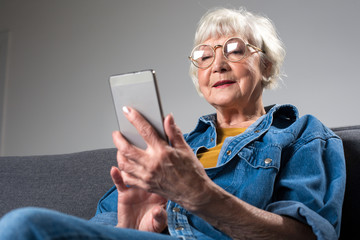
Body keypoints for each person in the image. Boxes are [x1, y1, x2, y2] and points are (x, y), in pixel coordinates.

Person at [0, 7, 345, 240]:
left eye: (235, 49)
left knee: (24, 225)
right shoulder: (169, 150)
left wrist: (200, 196)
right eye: (204, 57)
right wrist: (132, 226)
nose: (218, 65)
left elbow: (308, 235)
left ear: (266, 66)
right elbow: (103, 225)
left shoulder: (303, 134)